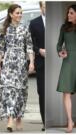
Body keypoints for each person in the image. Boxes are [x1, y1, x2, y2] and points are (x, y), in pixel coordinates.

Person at [0, 4, 34, 132]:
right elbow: (0, 48)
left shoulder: (25, 29)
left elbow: (29, 47)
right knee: (8, 89)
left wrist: (31, 63)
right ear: (11, 14)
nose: (20, 15)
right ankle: (10, 119)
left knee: (20, 91)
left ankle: (18, 118)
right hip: (8, 62)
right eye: (17, 13)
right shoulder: (4, 29)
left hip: (20, 63)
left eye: (20, 13)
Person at [56, 4, 76, 133]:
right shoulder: (64, 27)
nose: (68, 15)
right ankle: (70, 121)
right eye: (68, 13)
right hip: (68, 61)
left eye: (72, 13)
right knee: (66, 92)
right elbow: (59, 45)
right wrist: (60, 52)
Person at [29, 1, 45, 131]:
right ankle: (46, 122)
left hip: (59, 62)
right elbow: (30, 44)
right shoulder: (34, 23)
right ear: (41, 8)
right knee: (43, 92)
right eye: (45, 6)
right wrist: (39, 50)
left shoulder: (60, 22)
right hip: (41, 62)